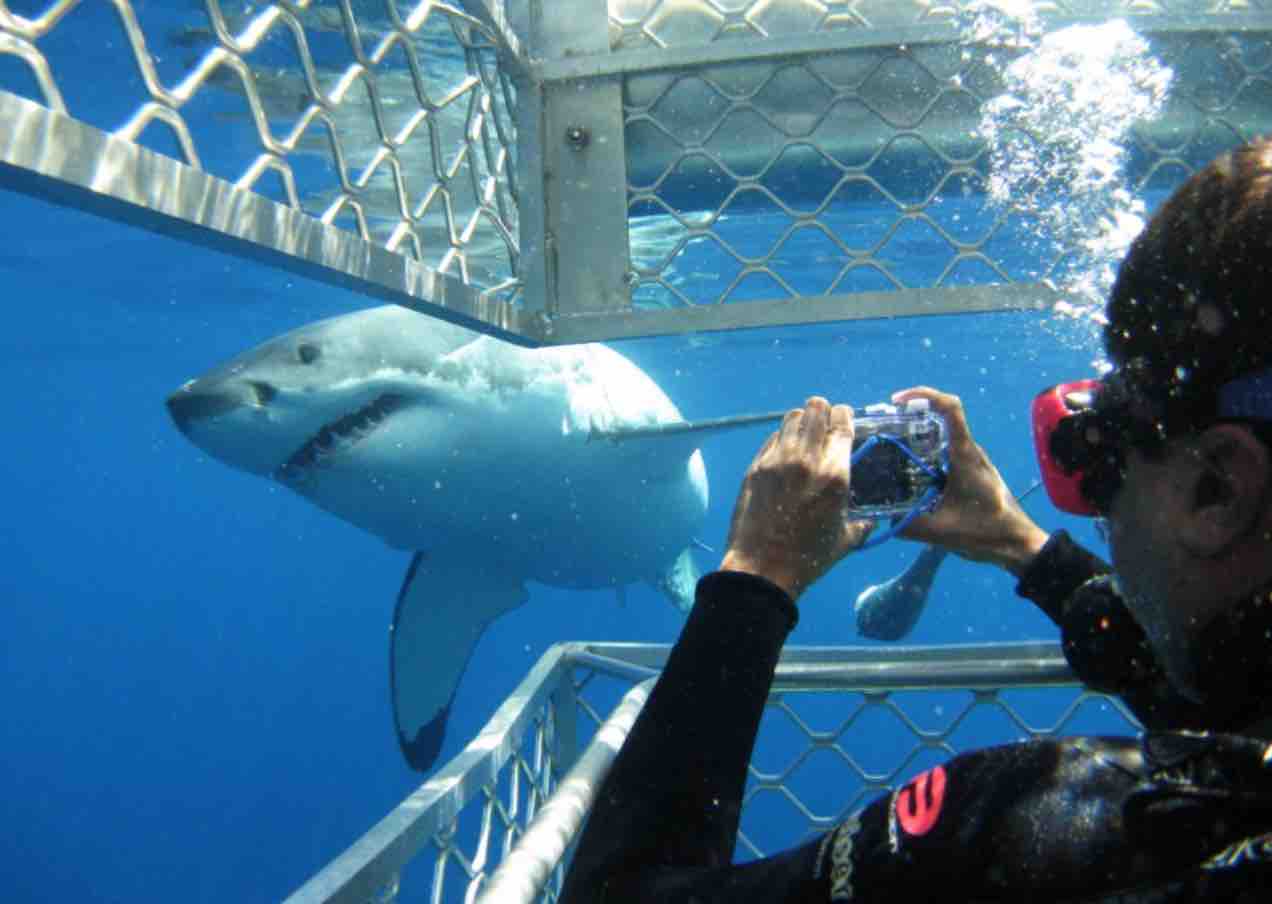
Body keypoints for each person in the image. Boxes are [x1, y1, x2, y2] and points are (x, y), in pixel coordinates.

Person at [558, 138, 1272, 902]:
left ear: (1216, 493)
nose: (1100, 507)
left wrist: (753, 580)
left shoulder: (1049, 827)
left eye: (1099, 460)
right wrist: (1017, 543)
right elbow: (1221, 684)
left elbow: (617, 894)